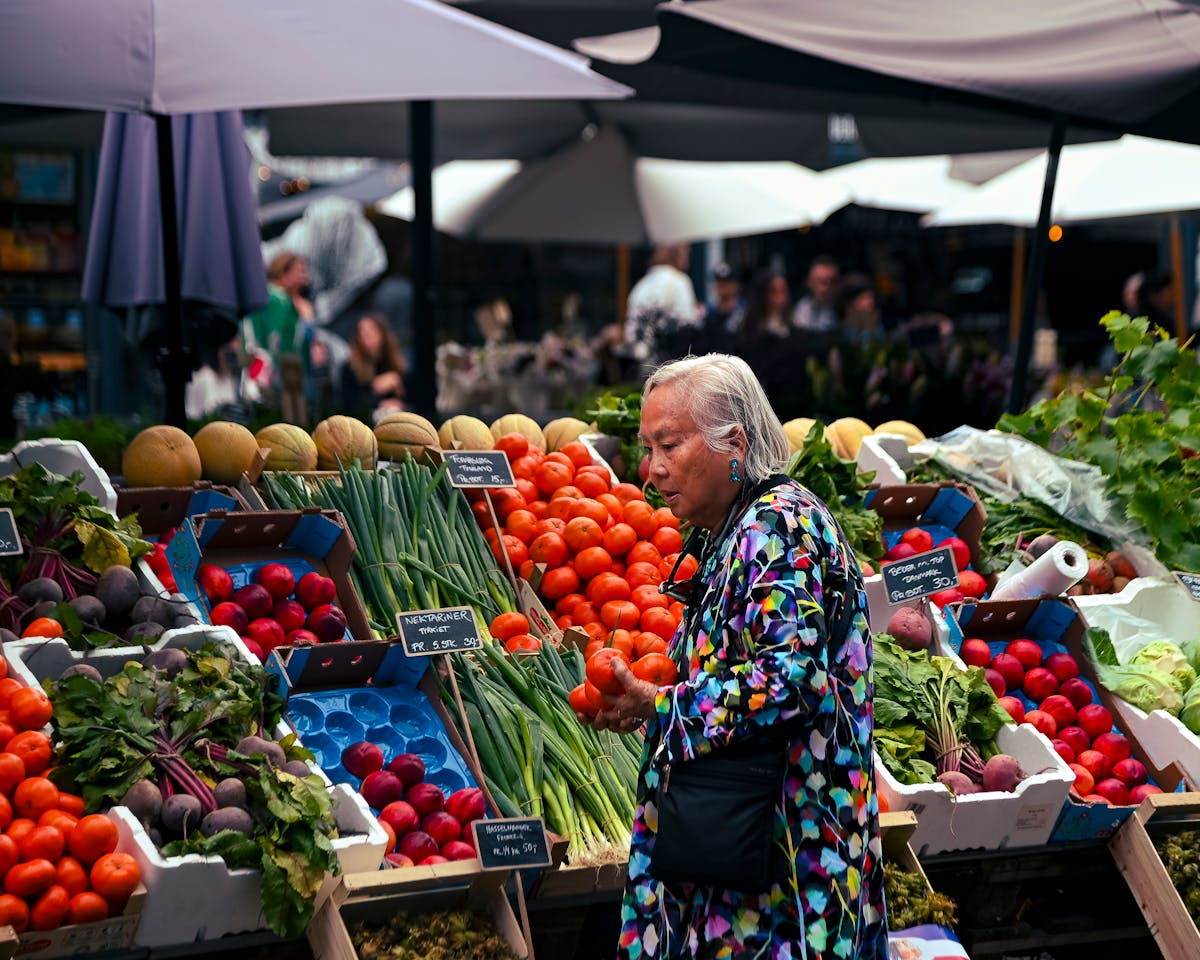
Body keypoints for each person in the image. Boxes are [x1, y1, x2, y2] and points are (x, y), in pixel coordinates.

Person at [583, 354, 888, 960]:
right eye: (648, 449)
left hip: (780, 858)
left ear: (736, 444)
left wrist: (658, 704)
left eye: (668, 445)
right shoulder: (740, 526)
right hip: (747, 844)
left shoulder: (778, 527)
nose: (652, 470)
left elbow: (790, 680)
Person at [242, 251, 313, 423]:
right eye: (300, 271)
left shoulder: (283, 299)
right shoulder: (276, 298)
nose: (305, 277)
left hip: (279, 367)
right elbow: (276, 337)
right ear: (283, 272)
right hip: (276, 368)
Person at [624, 244, 702, 368]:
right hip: (670, 364)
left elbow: (630, 332)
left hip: (640, 363)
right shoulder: (679, 281)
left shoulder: (641, 285)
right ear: (679, 254)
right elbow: (689, 326)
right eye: (687, 253)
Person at [339, 313, 405, 422]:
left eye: (370, 331)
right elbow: (349, 406)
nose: (365, 336)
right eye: (361, 332)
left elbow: (414, 398)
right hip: (365, 424)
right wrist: (376, 393)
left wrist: (398, 385)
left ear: (382, 334)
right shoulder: (350, 368)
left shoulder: (394, 364)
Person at [792, 254, 841, 333]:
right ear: (809, 282)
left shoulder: (844, 310)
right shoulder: (801, 311)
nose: (825, 289)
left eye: (831, 282)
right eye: (820, 281)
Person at [741, 269, 794, 338]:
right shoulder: (749, 324)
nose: (780, 298)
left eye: (783, 292)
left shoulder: (793, 321)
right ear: (763, 294)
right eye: (774, 292)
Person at [701, 261, 745, 341]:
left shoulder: (744, 311)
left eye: (726, 282)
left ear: (736, 285)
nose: (721, 286)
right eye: (719, 281)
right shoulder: (709, 310)